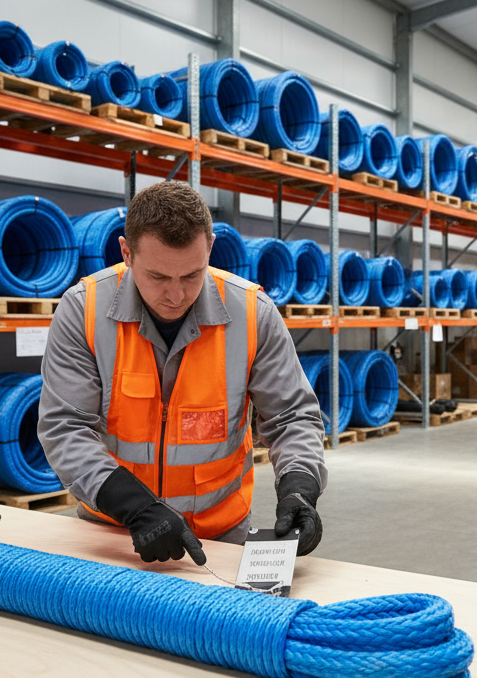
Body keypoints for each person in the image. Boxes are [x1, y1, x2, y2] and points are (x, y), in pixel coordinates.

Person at [38, 181, 326, 566]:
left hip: (220, 536)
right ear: (126, 252)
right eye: (158, 277)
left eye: (192, 275)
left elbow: (293, 417)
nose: (175, 295)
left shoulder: (252, 313)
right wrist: (133, 505)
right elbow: (65, 427)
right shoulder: (83, 311)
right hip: (115, 531)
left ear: (209, 247)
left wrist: (299, 487)